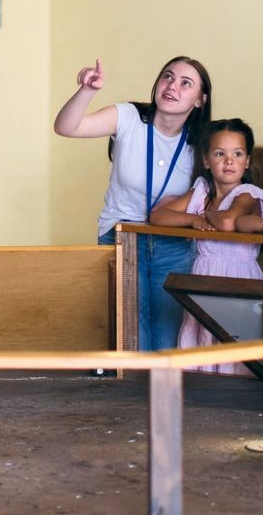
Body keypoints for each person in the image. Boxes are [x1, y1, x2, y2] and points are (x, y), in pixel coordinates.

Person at [54, 54, 212, 350]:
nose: (172, 86)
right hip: (122, 236)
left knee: (167, 338)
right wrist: (87, 90)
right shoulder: (128, 117)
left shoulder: (202, 141)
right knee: (129, 337)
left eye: (185, 83)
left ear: (199, 100)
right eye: (167, 76)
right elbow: (66, 127)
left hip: (172, 243)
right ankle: (131, 398)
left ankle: (161, 397)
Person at [153, 120, 263, 370]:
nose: (229, 161)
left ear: (248, 161)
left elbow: (228, 222)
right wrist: (192, 219)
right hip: (203, 275)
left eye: (237, 154)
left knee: (234, 337)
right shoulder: (201, 191)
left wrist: (206, 215)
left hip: (239, 278)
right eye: (220, 154)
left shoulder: (247, 193)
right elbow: (157, 216)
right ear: (207, 160)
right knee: (202, 332)